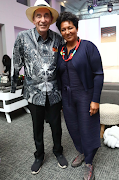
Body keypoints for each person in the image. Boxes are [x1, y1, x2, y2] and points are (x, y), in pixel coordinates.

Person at [11, 0, 68, 175]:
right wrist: (14, 86)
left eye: (46, 16)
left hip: (54, 93)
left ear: (50, 19)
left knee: (57, 126)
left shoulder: (58, 39)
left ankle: (58, 151)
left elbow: (64, 63)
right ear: (33, 20)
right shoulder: (22, 38)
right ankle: (39, 155)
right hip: (34, 94)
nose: (42, 19)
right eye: (39, 16)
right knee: (37, 128)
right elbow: (16, 62)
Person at [56, 12, 104, 180]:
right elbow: (59, 75)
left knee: (88, 128)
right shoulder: (60, 51)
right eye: (63, 29)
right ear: (60, 32)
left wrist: (95, 99)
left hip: (85, 94)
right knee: (74, 128)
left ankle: (89, 162)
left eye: (70, 27)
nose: (67, 31)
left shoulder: (88, 47)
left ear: (76, 28)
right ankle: (83, 152)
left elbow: (98, 74)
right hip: (67, 97)